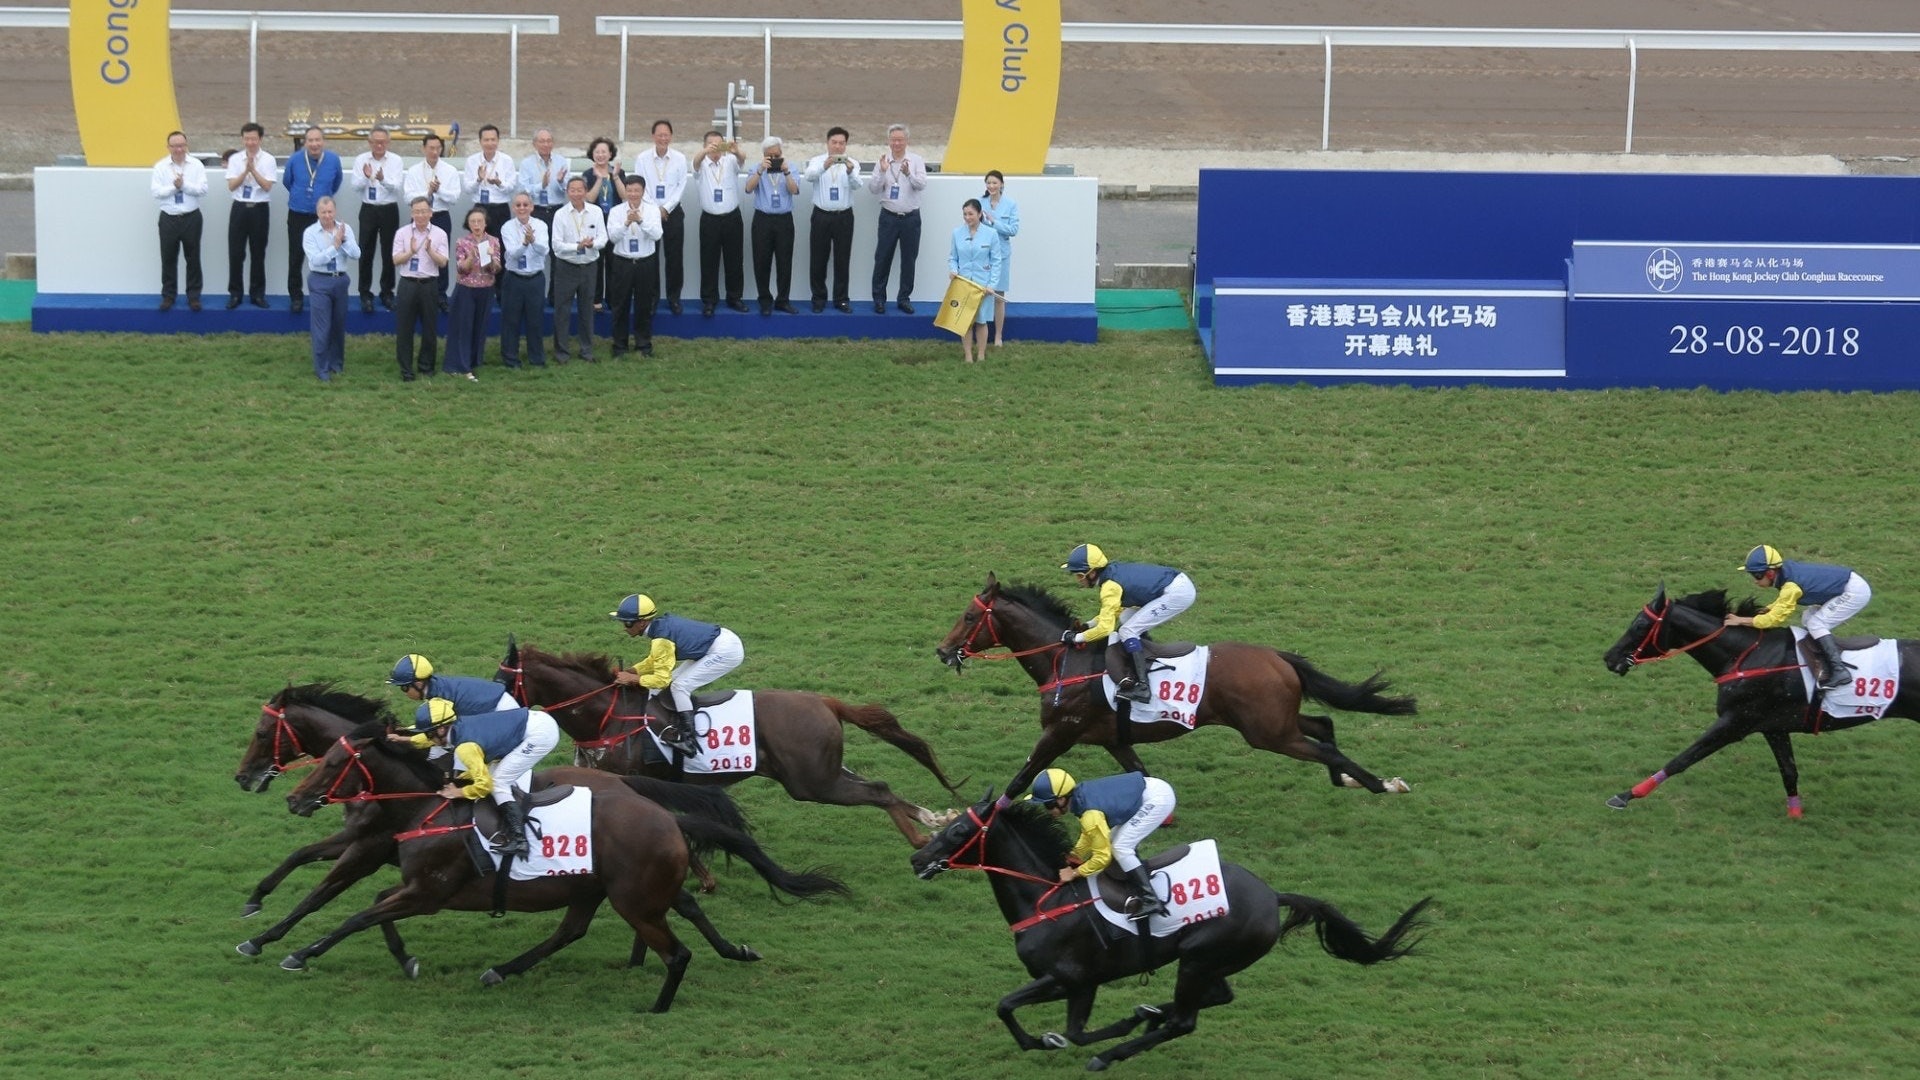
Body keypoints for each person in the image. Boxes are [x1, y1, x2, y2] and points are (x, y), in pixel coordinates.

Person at [403, 697, 560, 859]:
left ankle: (520, 840)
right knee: (484, 774)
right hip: (533, 722)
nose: (428, 739)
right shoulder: (456, 726)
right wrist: (401, 739)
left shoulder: (465, 748)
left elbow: (484, 785)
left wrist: (458, 792)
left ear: (441, 730)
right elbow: (429, 739)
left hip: (540, 734)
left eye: (429, 734)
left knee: (498, 783)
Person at [608, 593, 745, 758]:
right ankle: (668, 728)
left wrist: (632, 679)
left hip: (726, 650)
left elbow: (661, 680)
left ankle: (688, 739)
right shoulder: (658, 629)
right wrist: (633, 671)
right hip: (713, 645)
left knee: (679, 686)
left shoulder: (661, 639)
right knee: (673, 684)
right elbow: (655, 660)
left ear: (642, 622)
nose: (624, 627)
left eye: (627, 622)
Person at [1029, 767, 1175, 921]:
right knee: (1113, 840)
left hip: (1158, 799)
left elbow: (1102, 858)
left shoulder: (1089, 813)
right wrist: (1074, 855)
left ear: (1060, 799)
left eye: (1048, 805)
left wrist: (1074, 873)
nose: (1048, 811)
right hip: (1150, 790)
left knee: (1121, 847)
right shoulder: (1080, 798)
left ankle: (1151, 899)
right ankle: (1136, 880)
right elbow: (1089, 833)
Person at [1061, 544, 1197, 704]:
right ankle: (1143, 654)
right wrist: (1089, 624)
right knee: (1126, 618)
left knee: (1127, 630)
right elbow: (1115, 611)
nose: (1079, 580)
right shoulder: (1110, 574)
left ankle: (1143, 688)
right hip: (1173, 583)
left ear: (1092, 573)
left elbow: (1105, 629)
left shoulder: (1109, 587)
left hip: (1177, 593)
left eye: (1079, 575)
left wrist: (1077, 638)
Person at [1726, 545, 1873, 691]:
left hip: (1854, 592)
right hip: (1844, 587)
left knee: (1816, 624)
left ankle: (1840, 671)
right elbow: (1782, 602)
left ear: (1770, 573)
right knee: (1807, 618)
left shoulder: (1791, 586)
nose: (1755, 581)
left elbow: (1773, 620)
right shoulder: (1784, 575)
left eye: (1756, 575)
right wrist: (1768, 609)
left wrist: (1741, 620)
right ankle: (1820, 660)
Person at [866, 123, 927, 314]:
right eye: (893, 140)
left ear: (907, 141)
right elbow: (874, 189)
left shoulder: (916, 160)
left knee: (909, 260)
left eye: (900, 139)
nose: (897, 143)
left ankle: (904, 298)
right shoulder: (883, 161)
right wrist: (883, 171)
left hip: (911, 218)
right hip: (889, 218)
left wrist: (908, 174)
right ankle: (879, 299)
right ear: (889, 141)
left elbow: (921, 185)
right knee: (882, 258)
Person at [281, 126, 342, 316]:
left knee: (325, 256)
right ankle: (296, 296)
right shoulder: (295, 159)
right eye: (310, 140)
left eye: (318, 140)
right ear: (305, 142)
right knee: (296, 257)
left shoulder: (333, 160)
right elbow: (287, 181)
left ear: (323, 141)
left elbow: (336, 183)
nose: (314, 144)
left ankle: (322, 295)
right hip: (298, 213)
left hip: (323, 216)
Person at [300, 196, 359, 383]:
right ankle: (322, 369)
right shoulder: (310, 233)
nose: (327, 216)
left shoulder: (345, 229)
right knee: (321, 327)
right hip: (320, 281)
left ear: (335, 211)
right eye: (323, 212)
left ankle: (336, 364)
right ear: (318, 213)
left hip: (340, 280)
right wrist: (335, 247)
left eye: (330, 212)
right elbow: (315, 260)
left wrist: (344, 241)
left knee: (338, 325)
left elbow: (357, 254)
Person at [803, 127, 860, 313]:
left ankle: (841, 299)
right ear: (827, 143)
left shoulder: (853, 163)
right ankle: (818, 298)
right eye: (834, 142)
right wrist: (824, 166)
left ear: (846, 144)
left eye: (841, 143)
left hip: (844, 216)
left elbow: (858, 185)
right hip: (821, 215)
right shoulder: (817, 161)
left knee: (842, 259)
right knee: (818, 258)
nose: (837, 146)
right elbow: (809, 177)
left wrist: (850, 172)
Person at [550, 176, 607, 363]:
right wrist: (577, 246)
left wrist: (591, 245)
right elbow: (557, 245)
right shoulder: (560, 214)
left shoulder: (596, 212)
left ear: (586, 190)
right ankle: (561, 353)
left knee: (587, 310)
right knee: (562, 310)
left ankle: (586, 350)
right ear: (567, 192)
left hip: (589, 266)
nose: (576, 193)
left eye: (579, 189)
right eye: (572, 190)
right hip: (566, 267)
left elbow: (603, 239)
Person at [391, 196, 448, 381]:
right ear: (412, 213)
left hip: (429, 284)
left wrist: (430, 251)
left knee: (430, 327)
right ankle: (406, 369)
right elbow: (396, 260)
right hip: (407, 284)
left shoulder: (440, 234)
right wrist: (411, 252)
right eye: (417, 211)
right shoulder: (402, 233)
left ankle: (426, 366)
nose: (420, 215)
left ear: (431, 213)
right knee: (404, 328)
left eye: (424, 211)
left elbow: (443, 262)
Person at [635, 119, 689, 315]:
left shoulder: (680, 159)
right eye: (660, 135)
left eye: (666, 135)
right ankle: (652, 298)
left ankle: (674, 298)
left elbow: (681, 186)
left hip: (673, 213)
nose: (663, 138)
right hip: (649, 213)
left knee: (674, 258)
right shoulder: (642, 158)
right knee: (651, 257)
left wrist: (666, 208)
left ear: (671, 137)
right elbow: (641, 185)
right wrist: (655, 209)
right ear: (653, 136)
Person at [605, 176, 663, 358]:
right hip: (623, 262)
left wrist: (640, 221)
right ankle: (620, 345)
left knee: (644, 305)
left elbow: (657, 234)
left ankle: (643, 344)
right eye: (629, 190)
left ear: (643, 191)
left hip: (645, 262)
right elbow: (613, 237)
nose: (633, 194)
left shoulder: (652, 211)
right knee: (620, 305)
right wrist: (626, 222)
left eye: (636, 190)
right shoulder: (616, 211)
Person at [403, 134, 462, 311]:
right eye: (431, 148)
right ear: (424, 148)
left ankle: (440, 295)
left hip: (440, 216)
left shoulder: (450, 170)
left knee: (441, 256)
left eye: (438, 148)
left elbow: (454, 197)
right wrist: (427, 192)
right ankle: (416, 294)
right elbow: (407, 197)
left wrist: (439, 190)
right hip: (419, 217)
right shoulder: (413, 170)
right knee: (416, 253)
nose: (435, 151)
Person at [349, 126, 404, 313]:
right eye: (376, 142)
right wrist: (366, 178)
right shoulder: (361, 160)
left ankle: (387, 292)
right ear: (369, 142)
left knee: (389, 253)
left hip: (389, 209)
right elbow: (355, 187)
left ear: (388, 142)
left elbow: (397, 188)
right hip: (368, 210)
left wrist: (382, 179)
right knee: (365, 252)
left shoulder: (395, 160)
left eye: (383, 142)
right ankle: (365, 293)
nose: (379, 145)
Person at [692, 130, 748, 317]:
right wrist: (706, 151)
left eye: (719, 143)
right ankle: (709, 301)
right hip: (709, 220)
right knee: (709, 261)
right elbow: (695, 162)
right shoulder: (702, 164)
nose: (715, 147)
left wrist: (735, 149)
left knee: (734, 260)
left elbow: (742, 159)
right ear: (705, 145)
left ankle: (735, 298)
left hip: (732, 217)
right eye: (711, 144)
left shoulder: (730, 160)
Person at [151, 130, 207, 312]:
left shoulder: (196, 165)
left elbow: (202, 190)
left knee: (193, 258)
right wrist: (174, 188)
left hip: (191, 217)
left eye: (181, 145)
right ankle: (168, 296)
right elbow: (156, 192)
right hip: (168, 218)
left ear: (186, 145)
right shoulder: (160, 167)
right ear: (168, 147)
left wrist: (184, 186)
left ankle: (194, 296)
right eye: (174, 146)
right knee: (168, 258)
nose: (178, 149)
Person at [744, 135, 799, 315]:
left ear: (782, 154)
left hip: (784, 220)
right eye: (770, 156)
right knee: (762, 262)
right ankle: (765, 300)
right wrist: (760, 170)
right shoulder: (757, 168)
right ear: (764, 155)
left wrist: (786, 172)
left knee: (784, 262)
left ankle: (783, 300)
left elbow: (794, 190)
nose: (774, 159)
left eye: (777, 155)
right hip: (762, 219)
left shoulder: (791, 168)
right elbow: (748, 188)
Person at [446, 208, 502, 381]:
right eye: (473, 222)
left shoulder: (493, 242)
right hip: (466, 290)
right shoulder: (462, 242)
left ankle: (473, 361)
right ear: (468, 224)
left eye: (480, 221)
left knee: (479, 327)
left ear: (485, 223)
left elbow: (497, 269)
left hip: (486, 290)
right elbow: (462, 269)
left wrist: (493, 259)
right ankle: (461, 367)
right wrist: (470, 258)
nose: (476, 225)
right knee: (464, 328)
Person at [224, 122, 275, 309]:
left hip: (260, 209)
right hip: (239, 208)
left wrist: (253, 170)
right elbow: (231, 185)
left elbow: (268, 186)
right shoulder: (236, 159)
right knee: (236, 253)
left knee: (258, 253)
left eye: (253, 138)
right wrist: (245, 170)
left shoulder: (268, 159)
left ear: (260, 139)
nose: (250, 142)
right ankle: (235, 294)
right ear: (242, 139)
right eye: (247, 139)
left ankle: (257, 294)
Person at [517, 127, 568, 306]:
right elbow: (523, 190)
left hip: (556, 212)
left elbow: (568, 189)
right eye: (542, 141)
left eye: (549, 141)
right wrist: (541, 185)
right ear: (534, 144)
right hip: (536, 211)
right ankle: (534, 298)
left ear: (553, 143)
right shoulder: (526, 163)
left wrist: (561, 181)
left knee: (557, 255)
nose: (546, 144)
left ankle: (555, 297)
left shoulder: (561, 161)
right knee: (534, 252)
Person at [499, 193, 550, 370]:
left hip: (535, 279)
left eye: (525, 205)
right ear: (513, 208)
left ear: (532, 207)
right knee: (510, 320)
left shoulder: (540, 225)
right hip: (514, 279)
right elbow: (512, 253)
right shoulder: (507, 227)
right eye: (518, 205)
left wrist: (533, 240)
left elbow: (544, 250)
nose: (522, 208)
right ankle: (510, 359)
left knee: (535, 321)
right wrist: (524, 244)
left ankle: (536, 359)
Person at [947, 198, 1001, 363]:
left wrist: (991, 285)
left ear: (979, 214)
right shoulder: (957, 233)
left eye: (971, 214)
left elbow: (996, 261)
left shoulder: (991, 234)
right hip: (963, 284)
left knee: (981, 320)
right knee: (966, 321)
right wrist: (953, 270)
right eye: (965, 214)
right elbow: (952, 257)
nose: (967, 217)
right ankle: (968, 355)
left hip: (982, 286)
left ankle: (982, 354)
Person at [579, 138, 625, 311]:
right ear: (592, 154)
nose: (600, 155)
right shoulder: (587, 174)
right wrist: (599, 180)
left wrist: (616, 177)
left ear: (610, 154)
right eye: (597, 152)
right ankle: (596, 299)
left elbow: (624, 196)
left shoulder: (618, 172)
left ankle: (613, 299)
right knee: (596, 262)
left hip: (614, 222)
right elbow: (589, 198)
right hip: (594, 223)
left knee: (614, 262)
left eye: (604, 152)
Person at [387, 653, 519, 713]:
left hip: (500, 710)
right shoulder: (435, 686)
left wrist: (405, 737)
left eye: (404, 687)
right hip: (496, 701)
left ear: (419, 683)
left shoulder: (439, 698)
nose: (404, 693)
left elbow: (434, 733)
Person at [981, 170, 1020, 346]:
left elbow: (1013, 230)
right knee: (981, 293)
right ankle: (979, 332)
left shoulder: (1010, 204)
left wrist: (993, 221)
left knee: (999, 295)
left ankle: (998, 336)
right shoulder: (980, 202)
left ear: (1002, 184)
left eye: (995, 183)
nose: (991, 186)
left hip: (1002, 254)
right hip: (983, 254)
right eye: (988, 183)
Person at [463, 123, 516, 239]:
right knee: (480, 246)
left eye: (493, 139)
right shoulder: (472, 161)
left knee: (501, 246)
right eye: (486, 140)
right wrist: (478, 180)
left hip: (500, 209)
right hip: (479, 209)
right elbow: (467, 189)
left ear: (498, 141)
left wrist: (499, 183)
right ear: (480, 141)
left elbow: (511, 187)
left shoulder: (506, 160)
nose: (490, 143)